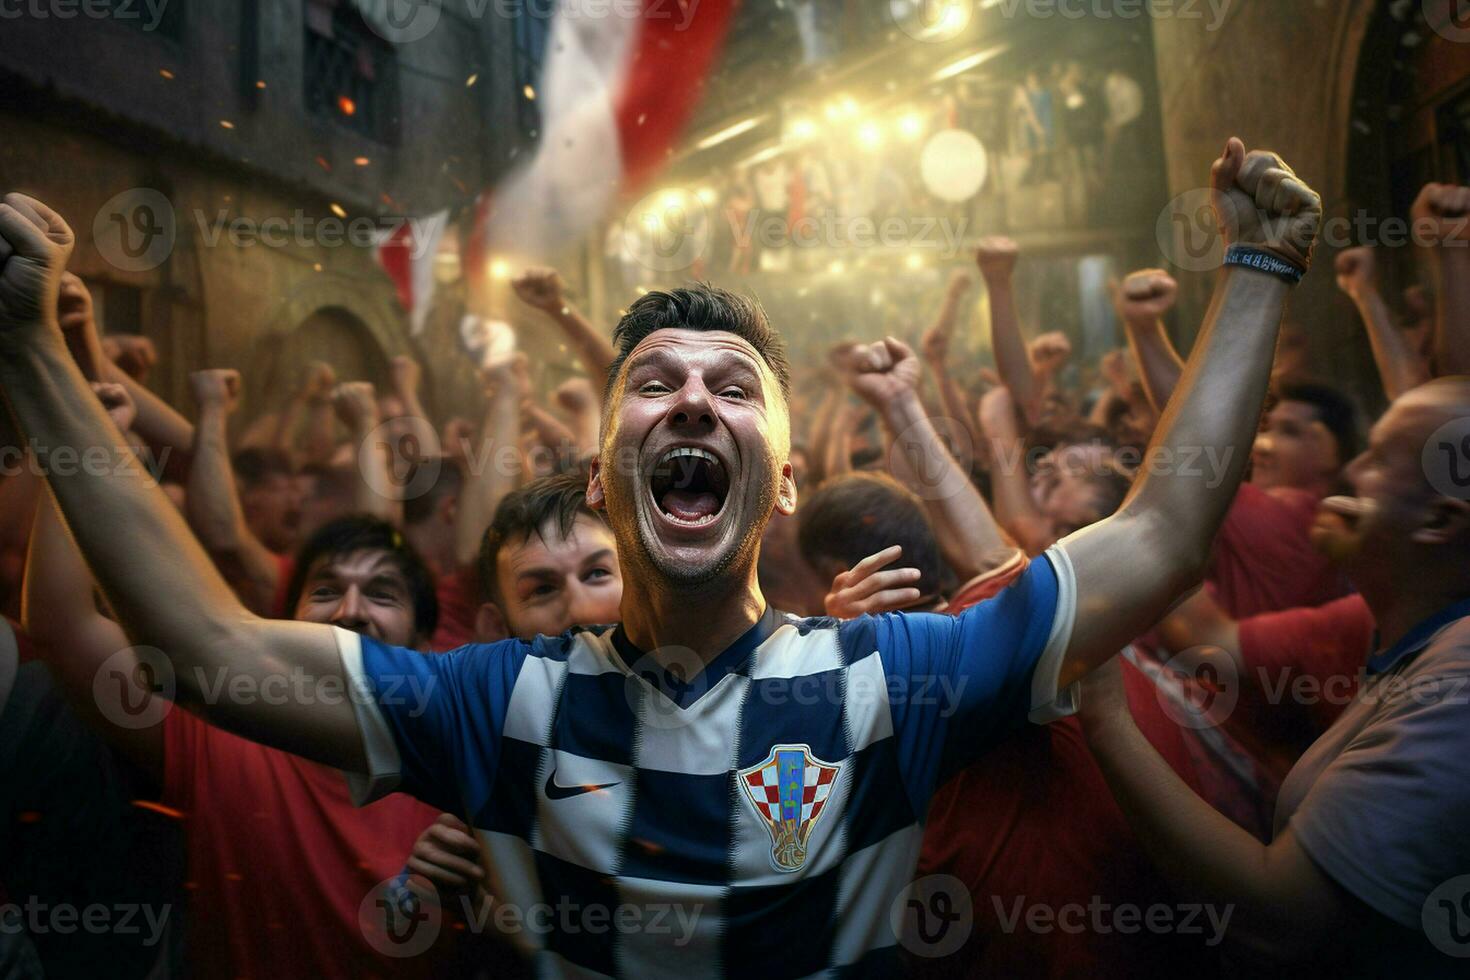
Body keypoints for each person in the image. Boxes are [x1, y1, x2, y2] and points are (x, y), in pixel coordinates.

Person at [0, 139, 1322, 975]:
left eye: (734, 385)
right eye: (655, 382)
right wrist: (28, 351)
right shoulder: (494, 701)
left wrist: (1257, 262)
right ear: (600, 471)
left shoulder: (898, 681)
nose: (693, 400)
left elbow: (1155, 532)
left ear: (786, 480)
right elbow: (203, 646)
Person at [1080, 377, 1470, 974]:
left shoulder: (1457, 692)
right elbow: (1220, 643)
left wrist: (1105, 713)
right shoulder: (1388, 619)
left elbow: (1284, 924)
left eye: (1379, 459)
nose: (1351, 474)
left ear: (1441, 521)